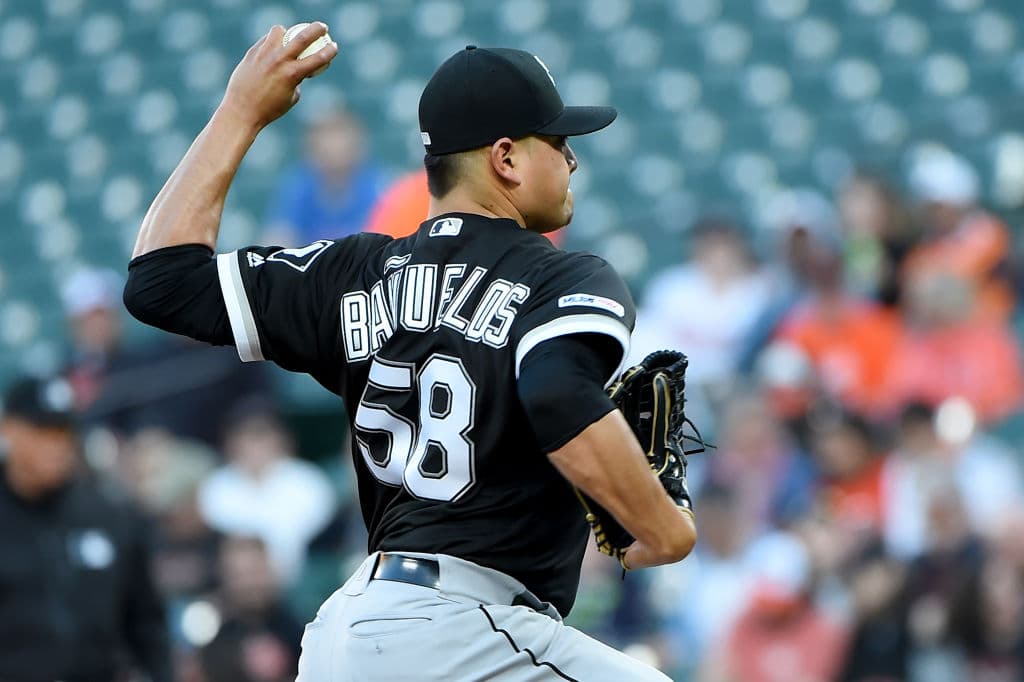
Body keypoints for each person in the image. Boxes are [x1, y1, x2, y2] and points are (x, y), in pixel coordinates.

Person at [122, 23, 696, 681]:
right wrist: (665, 529)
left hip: (348, 633)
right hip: (467, 633)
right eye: (560, 142)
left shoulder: (353, 271)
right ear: (505, 158)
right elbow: (558, 392)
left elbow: (159, 281)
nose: (571, 161)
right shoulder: (558, 276)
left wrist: (240, 112)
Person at [0, 375, 171, 682]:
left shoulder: (109, 514)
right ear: (8, 430)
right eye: (43, 432)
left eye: (64, 433)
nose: (58, 446)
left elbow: (147, 624)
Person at [264, 108, 387, 246]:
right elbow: (278, 240)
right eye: (322, 134)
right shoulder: (297, 187)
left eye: (338, 131)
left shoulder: (379, 186)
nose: (332, 143)